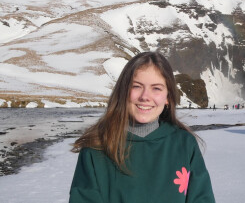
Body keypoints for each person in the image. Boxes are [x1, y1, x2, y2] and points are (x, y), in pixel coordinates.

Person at [69, 52, 215, 203]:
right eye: (136, 86)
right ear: (123, 91)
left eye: (156, 88)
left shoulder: (184, 145)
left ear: (168, 97)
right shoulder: (96, 148)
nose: (145, 96)